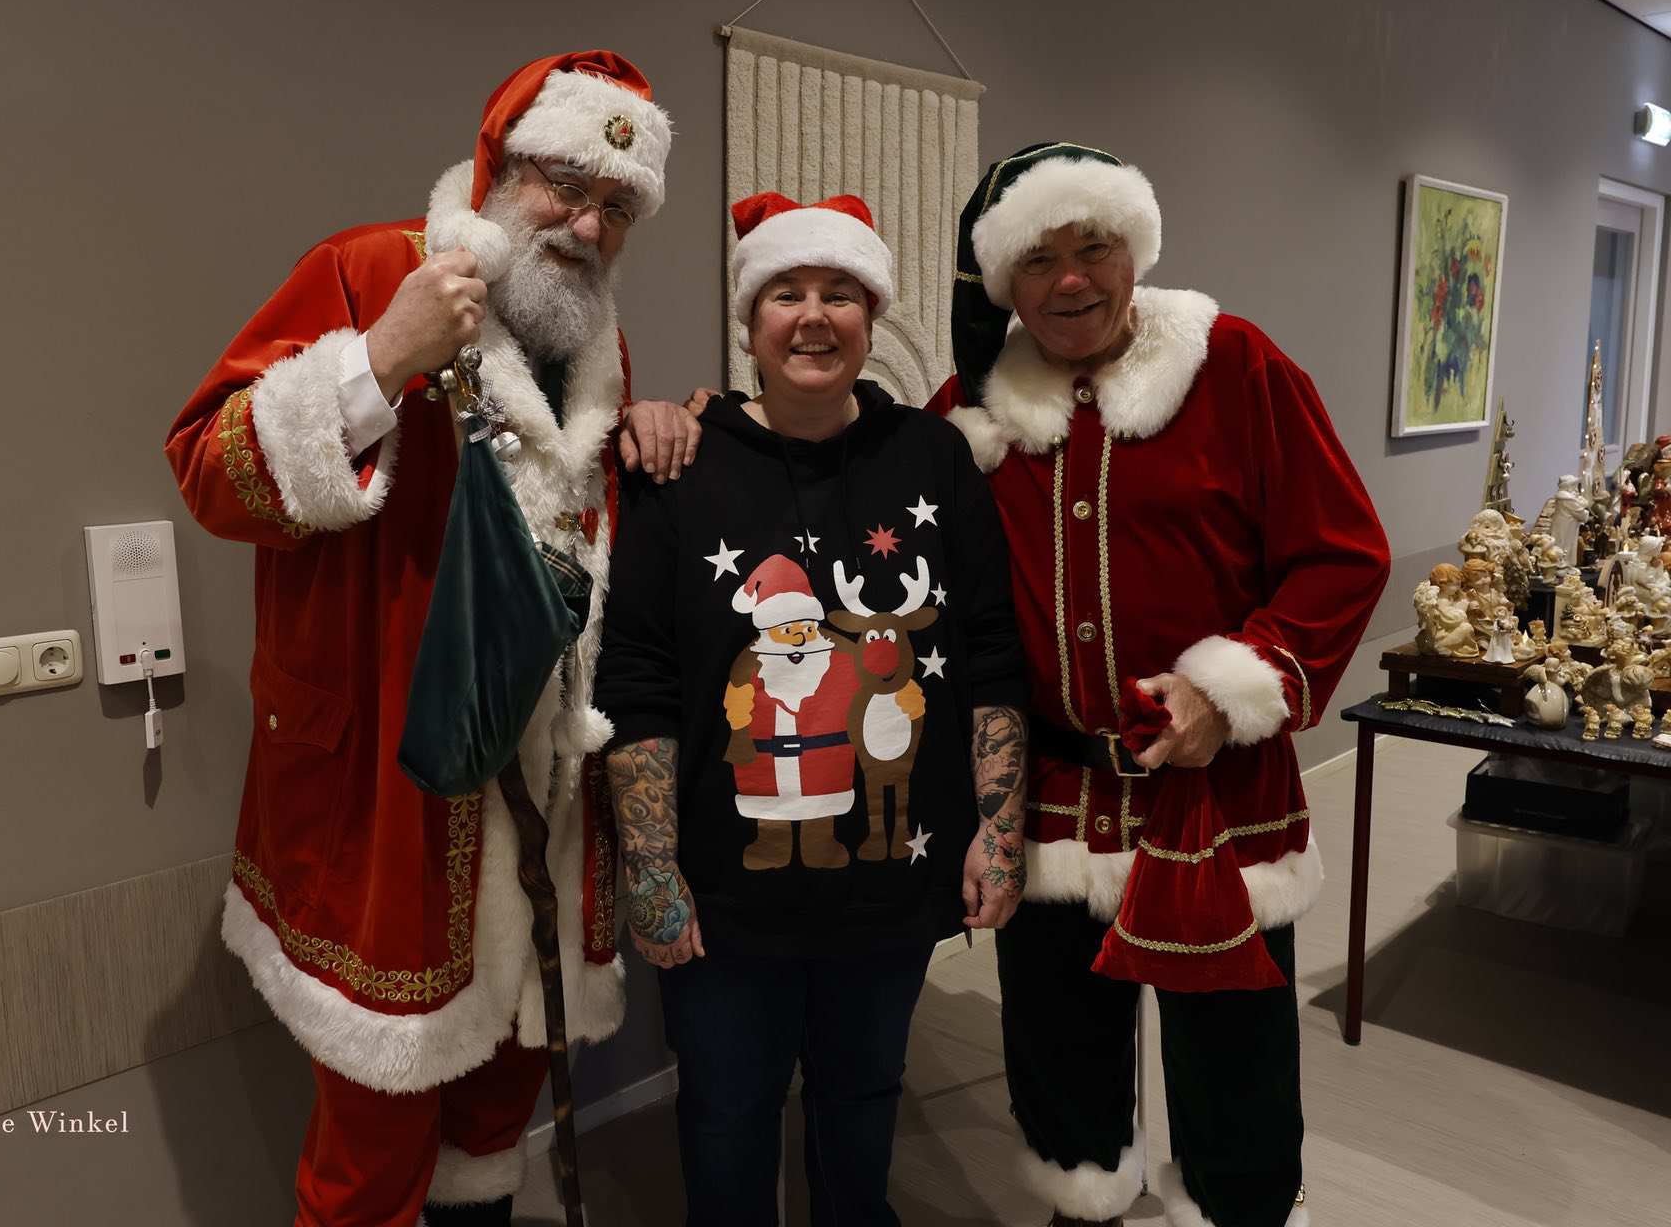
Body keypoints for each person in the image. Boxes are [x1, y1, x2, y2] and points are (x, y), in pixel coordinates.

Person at [165, 51, 702, 1227]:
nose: (587, 223)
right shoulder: (370, 270)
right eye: (566, 183)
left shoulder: (597, 343)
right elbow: (207, 467)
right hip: (386, 807)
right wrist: (378, 360)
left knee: (492, 1127)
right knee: (369, 1159)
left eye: (617, 206)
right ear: (498, 165)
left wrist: (655, 421)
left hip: (545, 809)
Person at [927, 143, 1390, 1227]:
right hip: (1052, 798)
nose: (1070, 280)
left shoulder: (1235, 365)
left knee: (1237, 1078)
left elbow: (1342, 553)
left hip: (1216, 799)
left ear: (1133, 249)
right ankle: (1084, 1204)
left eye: (1093, 248)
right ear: (1003, 282)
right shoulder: (973, 407)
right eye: (1038, 260)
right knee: (1059, 1066)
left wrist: (1226, 691)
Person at [596, 192, 1031, 1225]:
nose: (813, 316)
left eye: (840, 292)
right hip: (722, 892)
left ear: (871, 316)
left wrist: (1000, 829)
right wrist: (651, 870)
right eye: (786, 292)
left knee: (864, 1100)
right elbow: (638, 678)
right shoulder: (676, 465)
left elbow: (989, 653)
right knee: (725, 1113)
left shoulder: (934, 459)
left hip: (892, 882)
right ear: (749, 320)